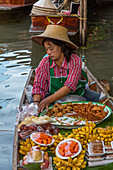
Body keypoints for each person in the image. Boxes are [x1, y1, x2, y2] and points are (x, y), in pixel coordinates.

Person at [31, 24, 98, 112]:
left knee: (100, 99)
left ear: (61, 47)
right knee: (33, 102)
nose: (48, 52)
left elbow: (70, 86)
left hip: (77, 95)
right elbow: (39, 85)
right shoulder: (45, 62)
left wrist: (48, 100)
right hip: (53, 98)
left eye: (51, 49)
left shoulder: (74, 60)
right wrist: (36, 103)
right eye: (46, 49)